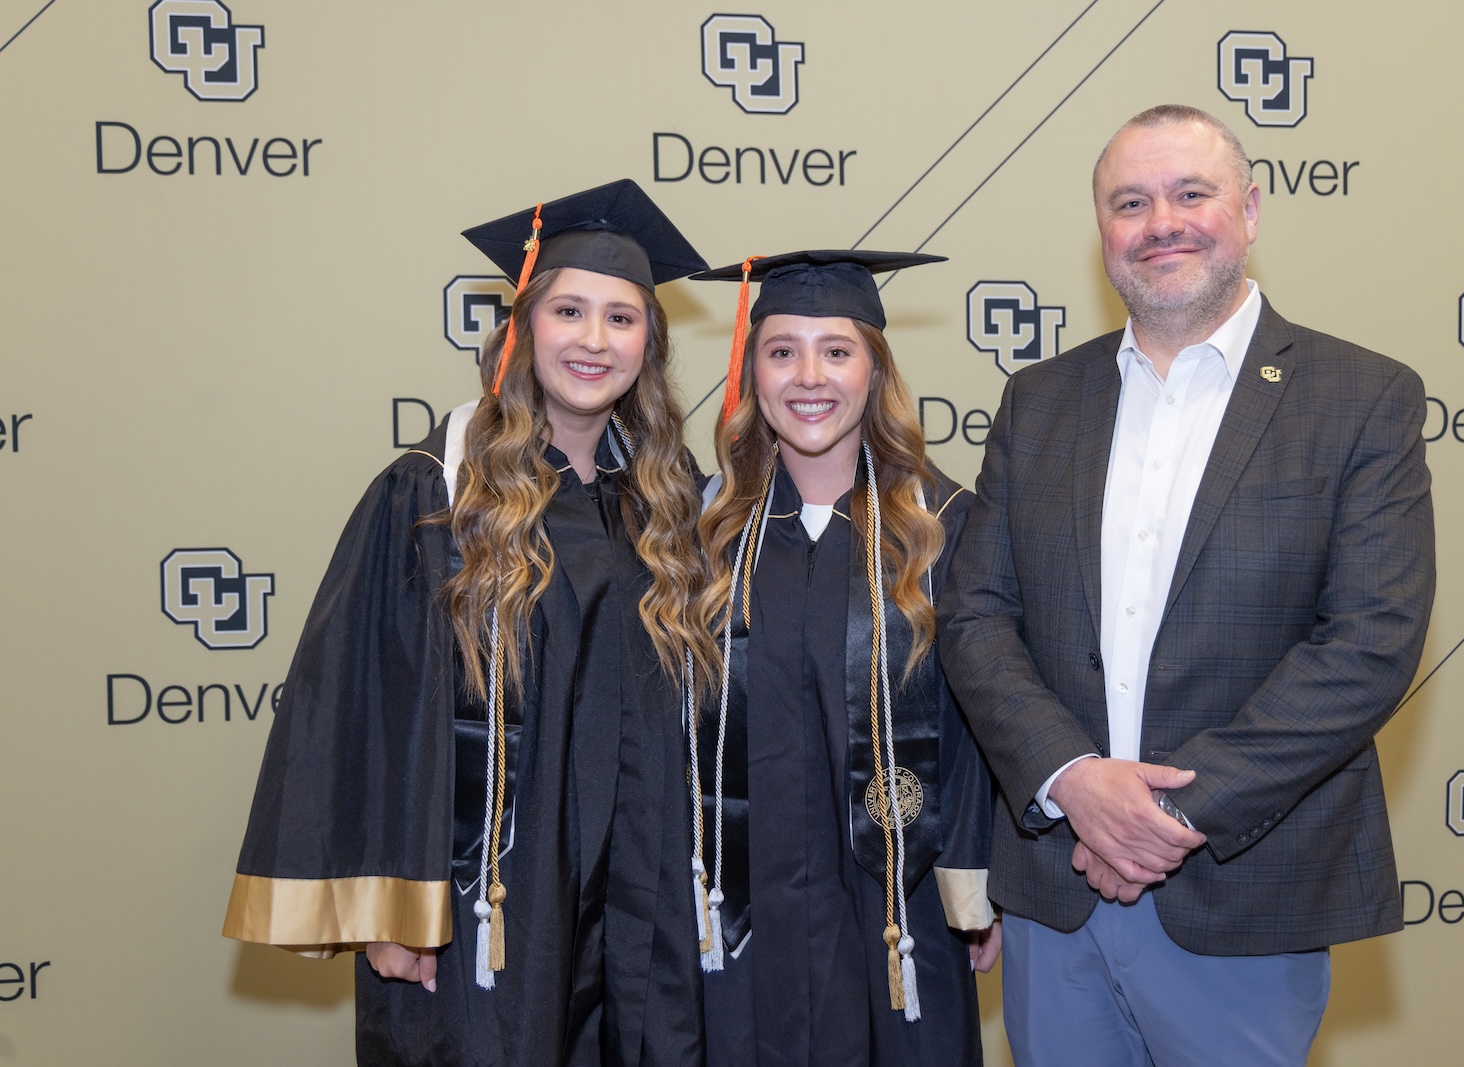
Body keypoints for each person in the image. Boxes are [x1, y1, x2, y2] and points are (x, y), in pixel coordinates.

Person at [939, 105, 1436, 1065]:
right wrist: (1073, 780)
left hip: (1240, 888)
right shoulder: (1037, 401)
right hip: (1056, 883)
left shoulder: (1363, 397)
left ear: (1248, 210)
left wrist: (1165, 814)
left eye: (1190, 193)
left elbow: (1369, 643)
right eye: (1131, 202)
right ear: (1103, 233)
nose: (1161, 221)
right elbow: (977, 616)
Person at [222, 179, 714, 1067]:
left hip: (638, 892)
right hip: (483, 897)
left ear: (651, 342)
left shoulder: (668, 504)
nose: (595, 341)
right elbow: (359, 700)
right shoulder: (434, 495)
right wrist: (390, 910)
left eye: (622, 318)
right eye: (569, 310)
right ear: (522, 330)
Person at [685, 250, 1002, 1067]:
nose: (808, 376)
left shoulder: (944, 528)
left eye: (837, 349)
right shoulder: (707, 534)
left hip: (900, 894)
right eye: (781, 349)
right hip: (746, 902)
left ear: (875, 369)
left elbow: (983, 725)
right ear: (752, 372)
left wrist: (975, 879)